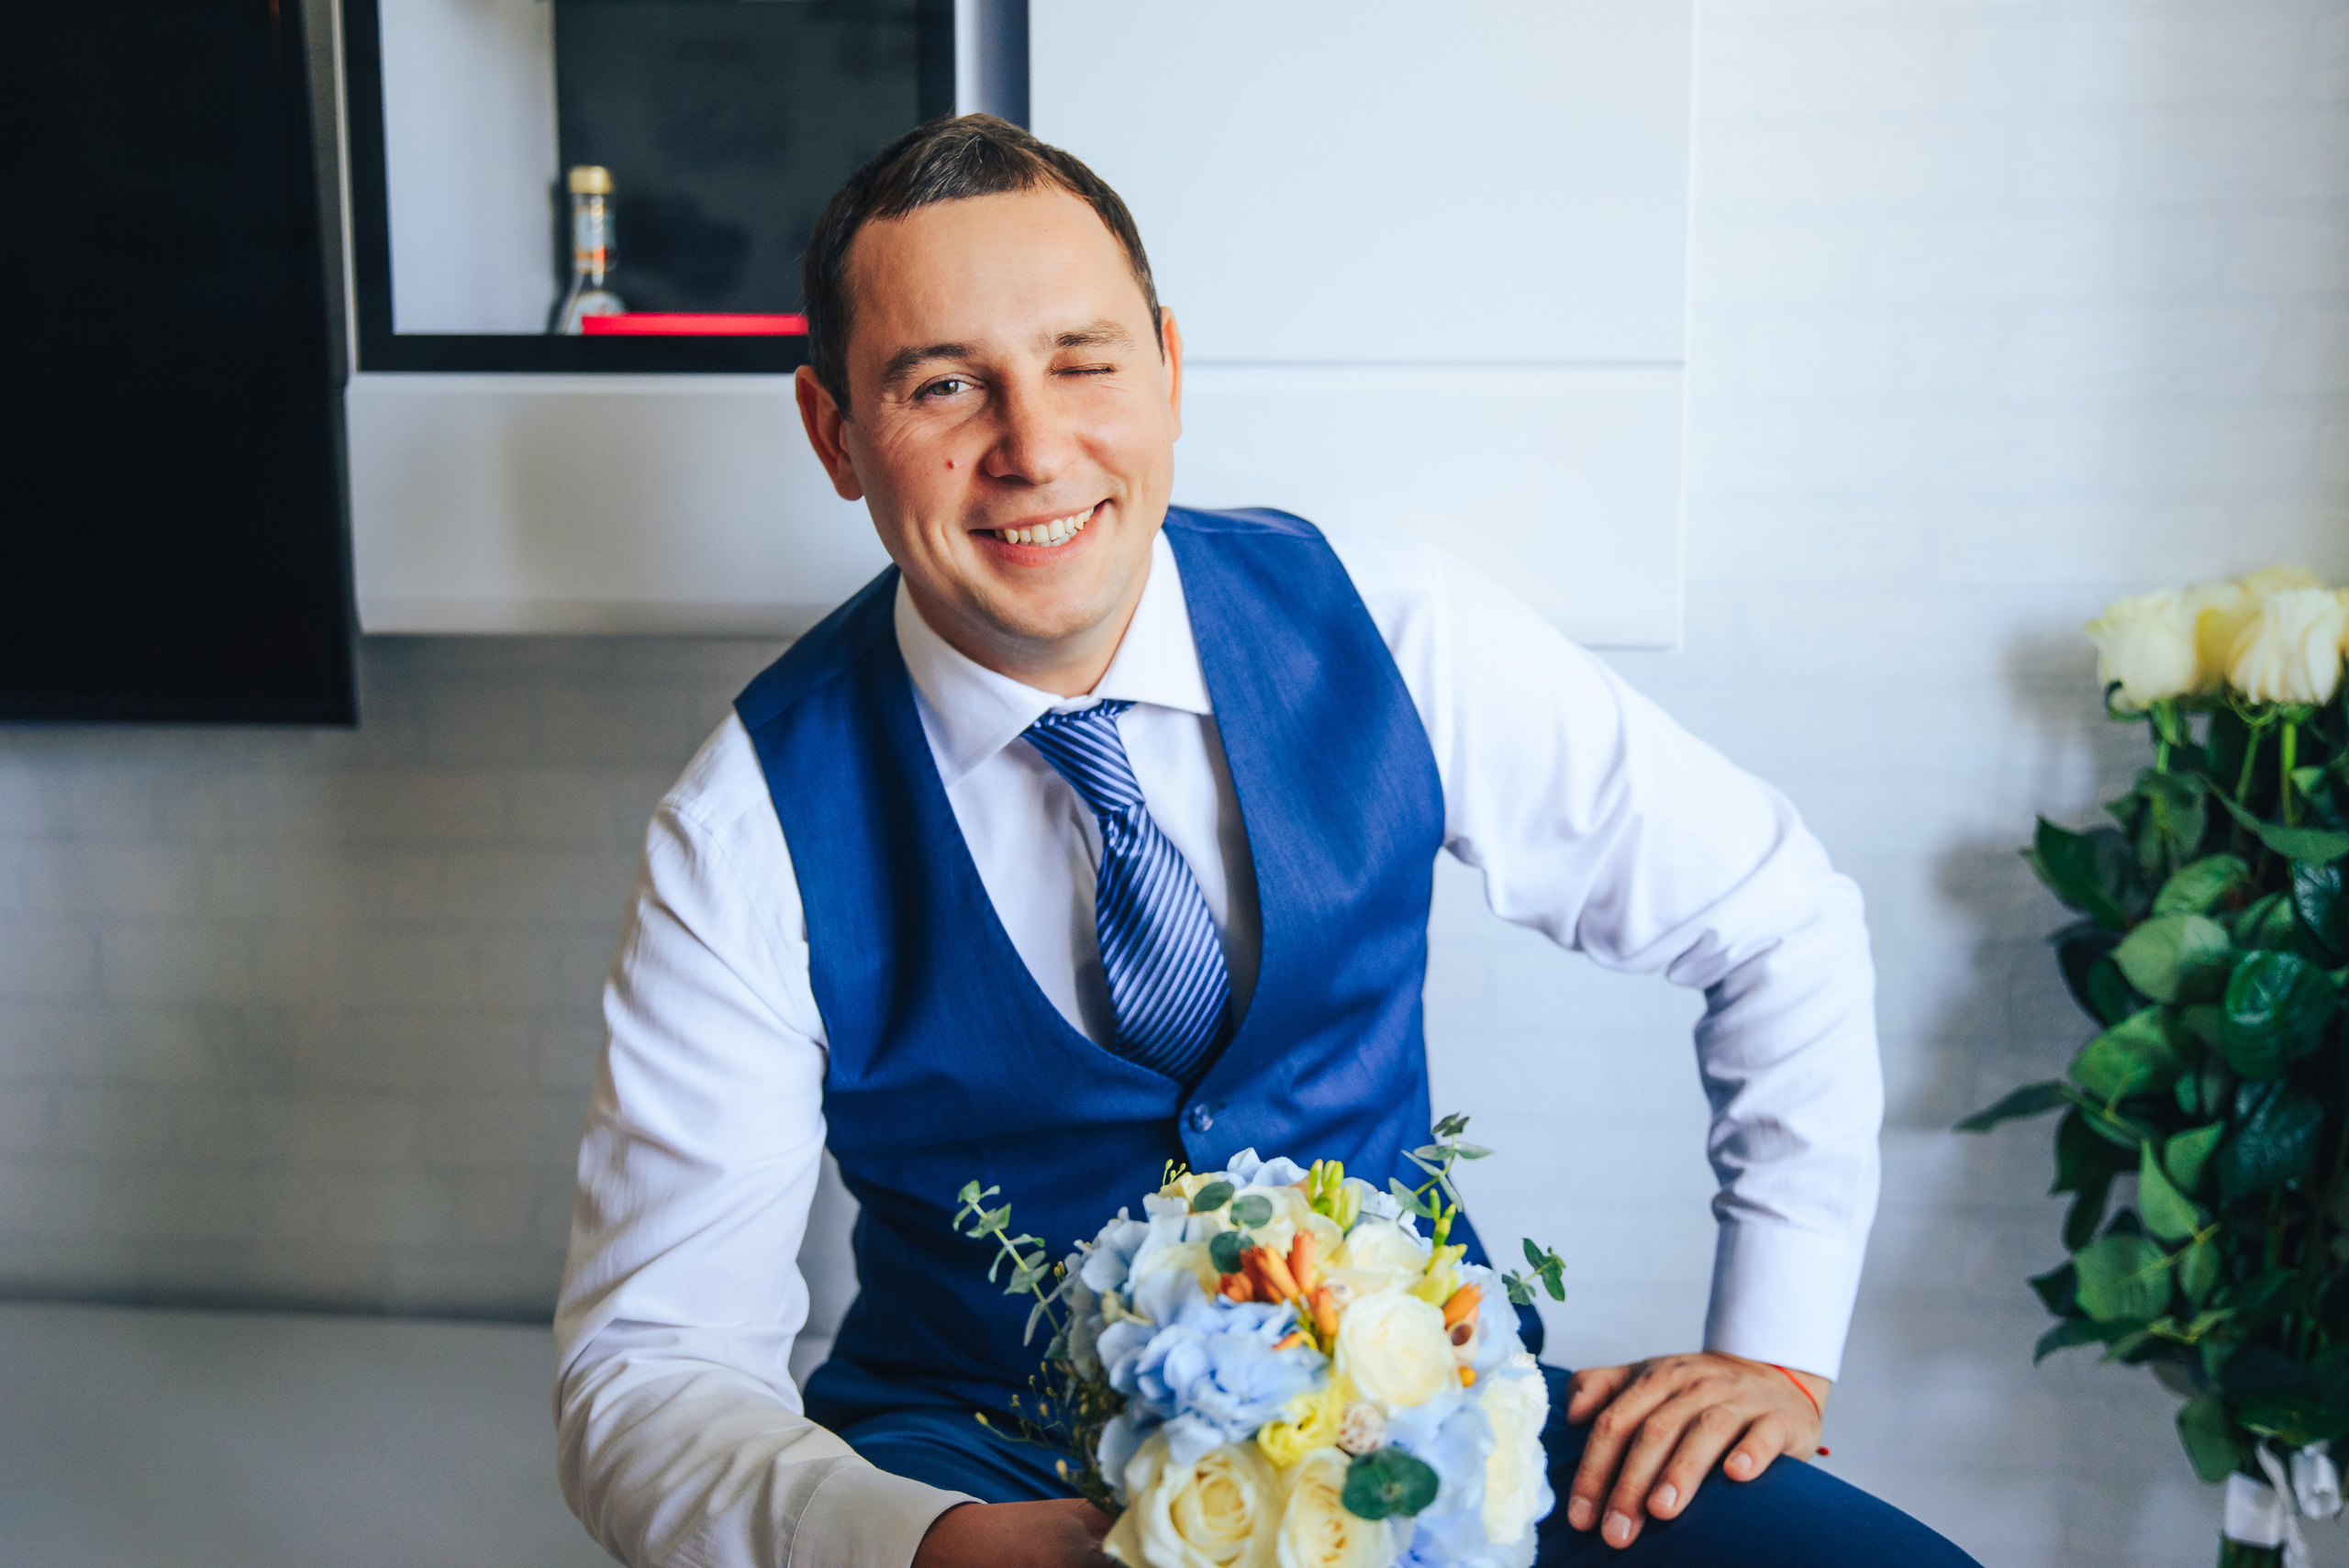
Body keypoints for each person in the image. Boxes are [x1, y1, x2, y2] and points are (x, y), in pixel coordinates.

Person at [553, 115, 1976, 1568]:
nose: (1034, 448)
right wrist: (933, 1546)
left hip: (1418, 1420)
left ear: (1169, 371)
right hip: (971, 1458)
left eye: (1083, 361)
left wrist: (1778, 1356)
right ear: (836, 433)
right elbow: (648, 1369)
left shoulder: (1401, 631)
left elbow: (1777, 917)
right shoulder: (743, 827)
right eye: (944, 386)